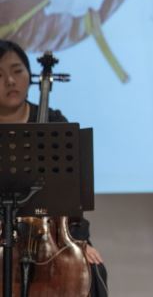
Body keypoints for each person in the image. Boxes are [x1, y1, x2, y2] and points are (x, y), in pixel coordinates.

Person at [0, 39, 109, 297]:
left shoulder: (54, 121)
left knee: (93, 270)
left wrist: (80, 241)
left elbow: (71, 195)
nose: (10, 81)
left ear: (30, 75)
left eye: (17, 71)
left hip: (52, 236)